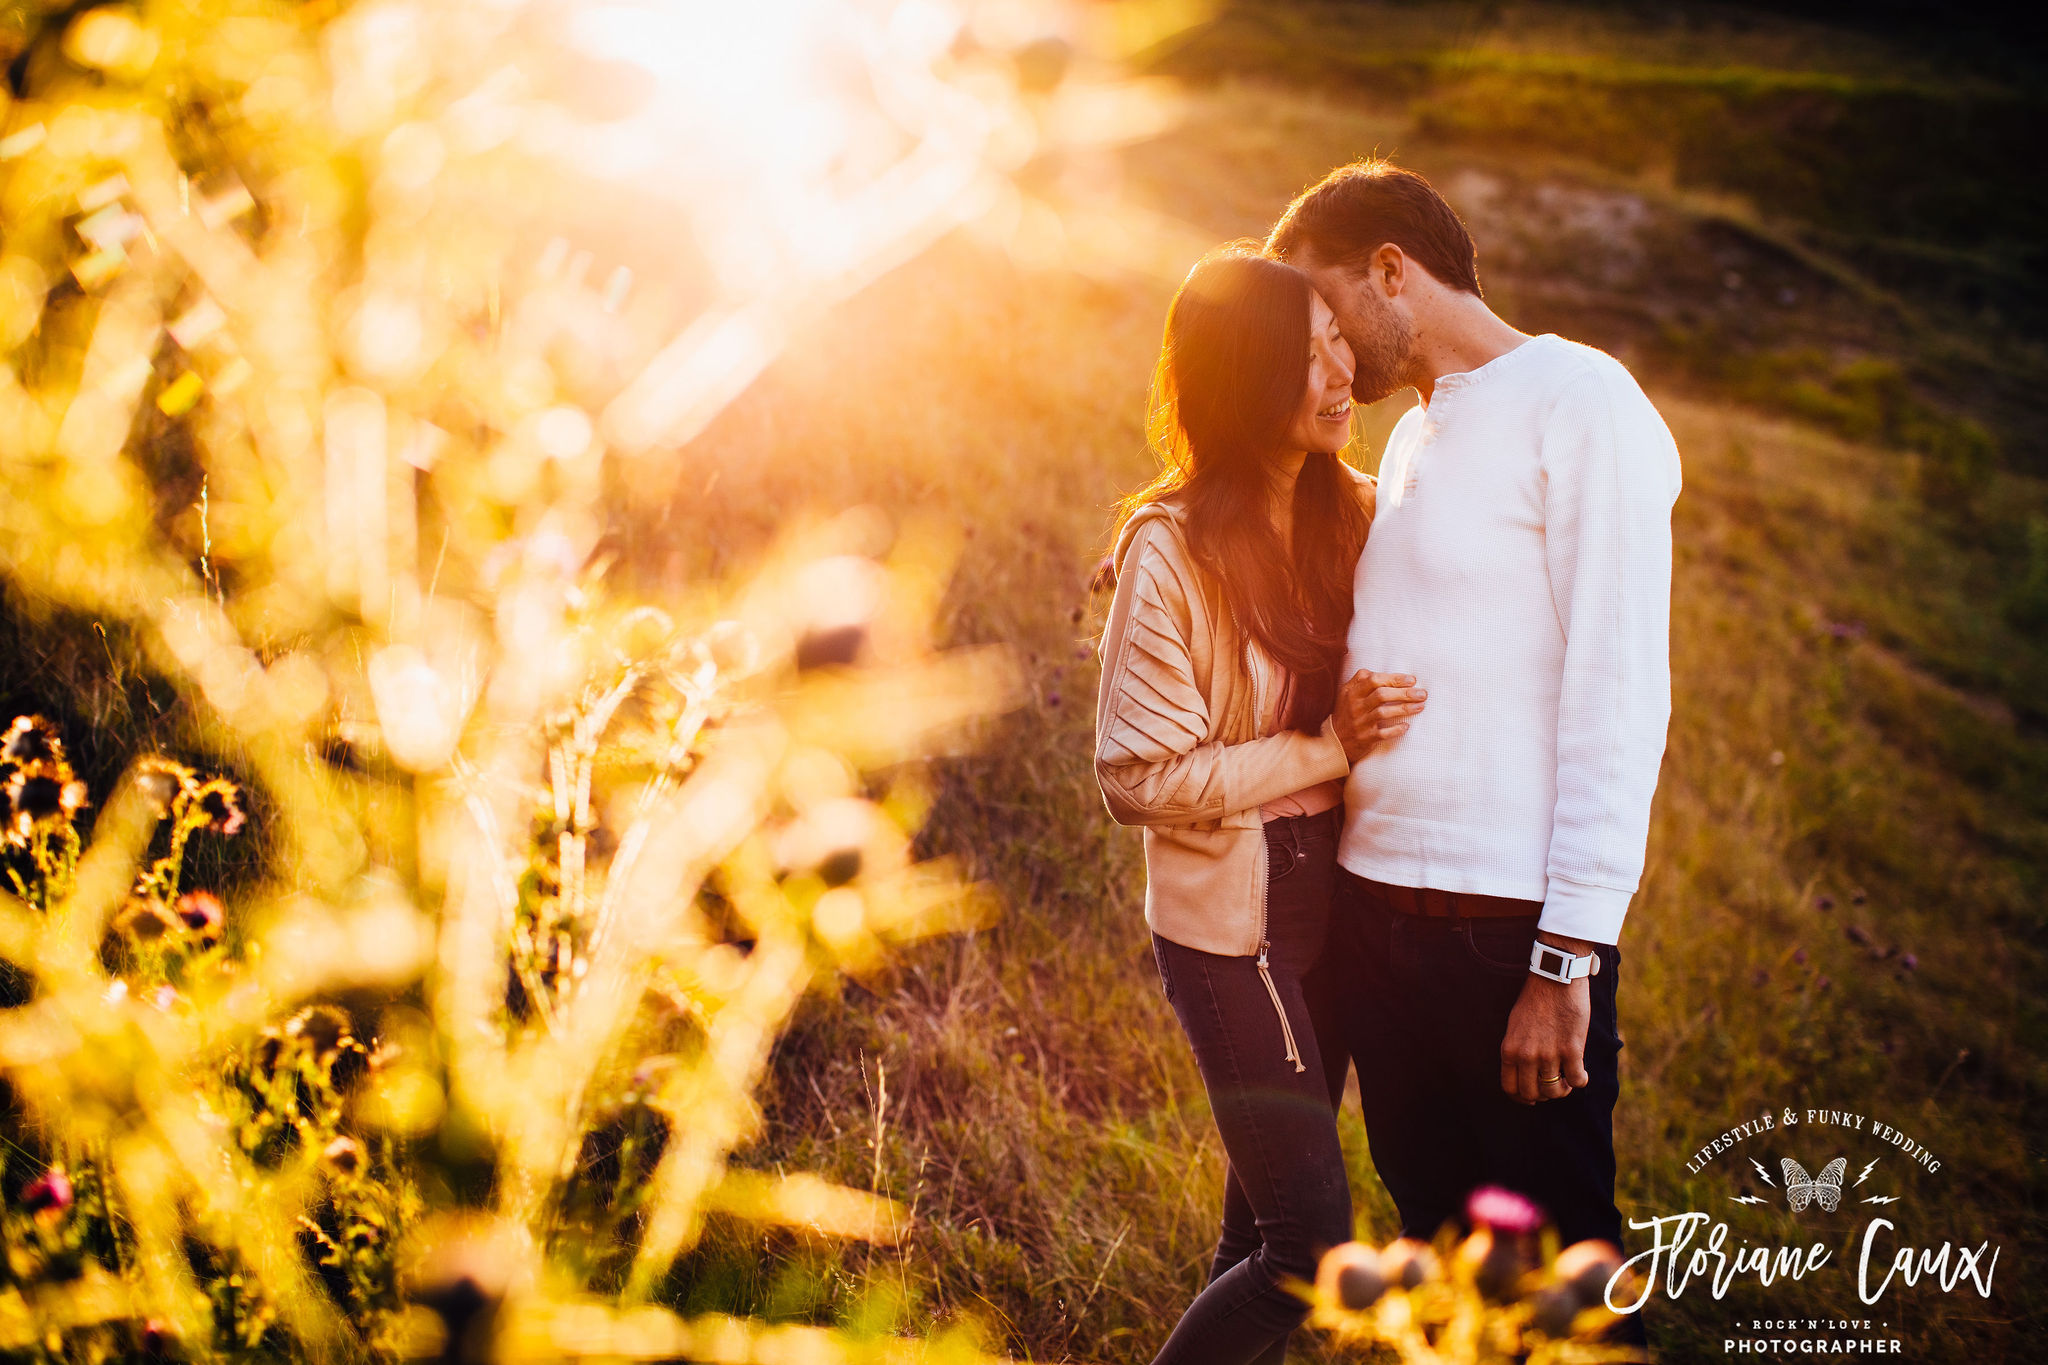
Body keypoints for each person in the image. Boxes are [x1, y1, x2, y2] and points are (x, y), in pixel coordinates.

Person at [1268, 161, 1682, 1287]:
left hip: (1502, 939)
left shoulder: (1578, 402)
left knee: (1559, 1289)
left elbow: (1618, 689)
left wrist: (1564, 959)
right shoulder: (1408, 438)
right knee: (1441, 1272)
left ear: (1391, 272)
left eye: (1328, 313)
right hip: (1374, 925)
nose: (1327, 354)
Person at [1092, 244, 1411, 1365]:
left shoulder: (1357, 511)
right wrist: (1320, 751)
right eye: (1304, 356)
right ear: (1240, 381)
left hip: (1340, 909)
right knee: (1304, 1255)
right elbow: (1137, 776)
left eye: (1336, 345)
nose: (1337, 375)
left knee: (1255, 1229)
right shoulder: (1169, 550)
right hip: (1234, 935)